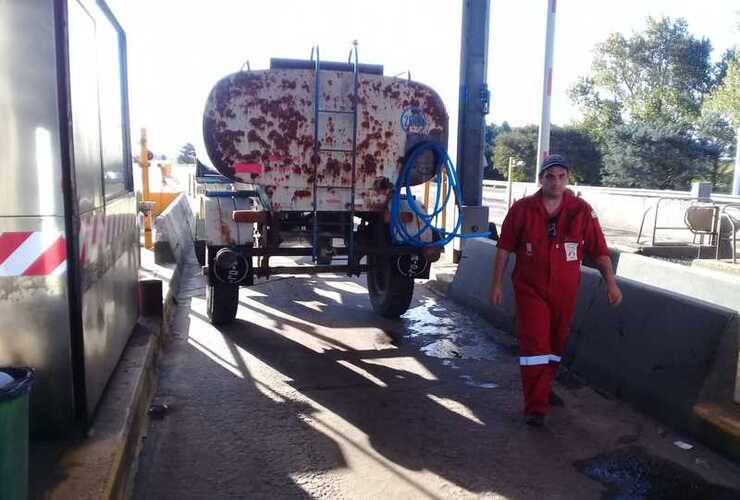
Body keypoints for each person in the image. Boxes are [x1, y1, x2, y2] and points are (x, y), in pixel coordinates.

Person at [490, 154, 622, 427]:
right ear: (541, 179)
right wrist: (496, 284)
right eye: (550, 176)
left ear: (568, 179)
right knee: (535, 344)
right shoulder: (522, 210)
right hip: (530, 289)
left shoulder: (581, 210)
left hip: (565, 291)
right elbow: (504, 248)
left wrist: (611, 283)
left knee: (555, 343)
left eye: (562, 176)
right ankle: (535, 407)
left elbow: (599, 251)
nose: (556, 182)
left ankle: (544, 387)